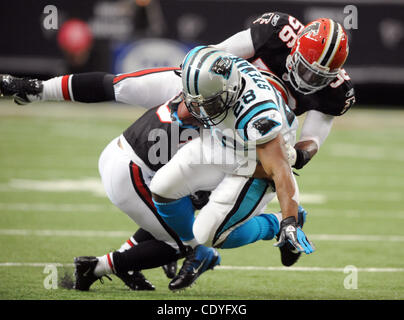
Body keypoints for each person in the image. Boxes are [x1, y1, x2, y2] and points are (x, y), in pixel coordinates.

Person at [0, 14, 352, 268]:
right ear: (294, 49)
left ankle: (266, 227)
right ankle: (36, 88)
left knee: (211, 224)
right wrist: (202, 87)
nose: (306, 80)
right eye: (304, 68)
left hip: (255, 133)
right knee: (123, 85)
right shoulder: (276, 32)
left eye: (316, 76)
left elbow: (309, 144)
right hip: (220, 89)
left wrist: (294, 157)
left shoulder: (335, 92)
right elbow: (217, 54)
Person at [149, 46, 315, 291]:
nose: (202, 108)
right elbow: (190, 105)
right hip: (224, 140)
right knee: (162, 188)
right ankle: (193, 250)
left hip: (256, 158)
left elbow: (278, 168)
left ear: (230, 91)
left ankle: (276, 222)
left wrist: (288, 220)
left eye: (209, 102)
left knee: (210, 234)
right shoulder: (211, 78)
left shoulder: (257, 114)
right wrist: (188, 106)